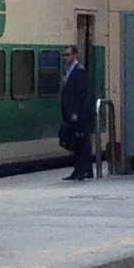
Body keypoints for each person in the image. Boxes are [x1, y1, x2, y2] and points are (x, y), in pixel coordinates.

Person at [57, 43, 98, 181]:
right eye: (64, 55)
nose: (65, 57)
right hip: (71, 114)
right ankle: (78, 170)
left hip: (80, 115)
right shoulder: (69, 71)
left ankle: (84, 171)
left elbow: (82, 95)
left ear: (75, 55)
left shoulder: (79, 71)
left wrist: (76, 112)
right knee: (76, 143)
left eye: (68, 55)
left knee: (82, 143)